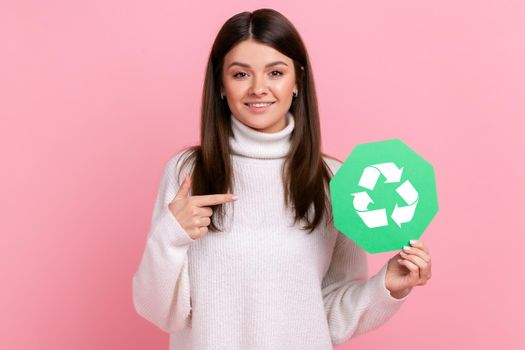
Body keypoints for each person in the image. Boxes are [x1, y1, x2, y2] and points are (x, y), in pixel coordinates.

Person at [132, 8, 432, 350]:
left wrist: (388, 287)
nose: (259, 88)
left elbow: (330, 316)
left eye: (275, 72)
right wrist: (170, 237)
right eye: (241, 74)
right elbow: (159, 311)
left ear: (297, 81)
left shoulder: (335, 181)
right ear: (220, 84)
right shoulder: (188, 172)